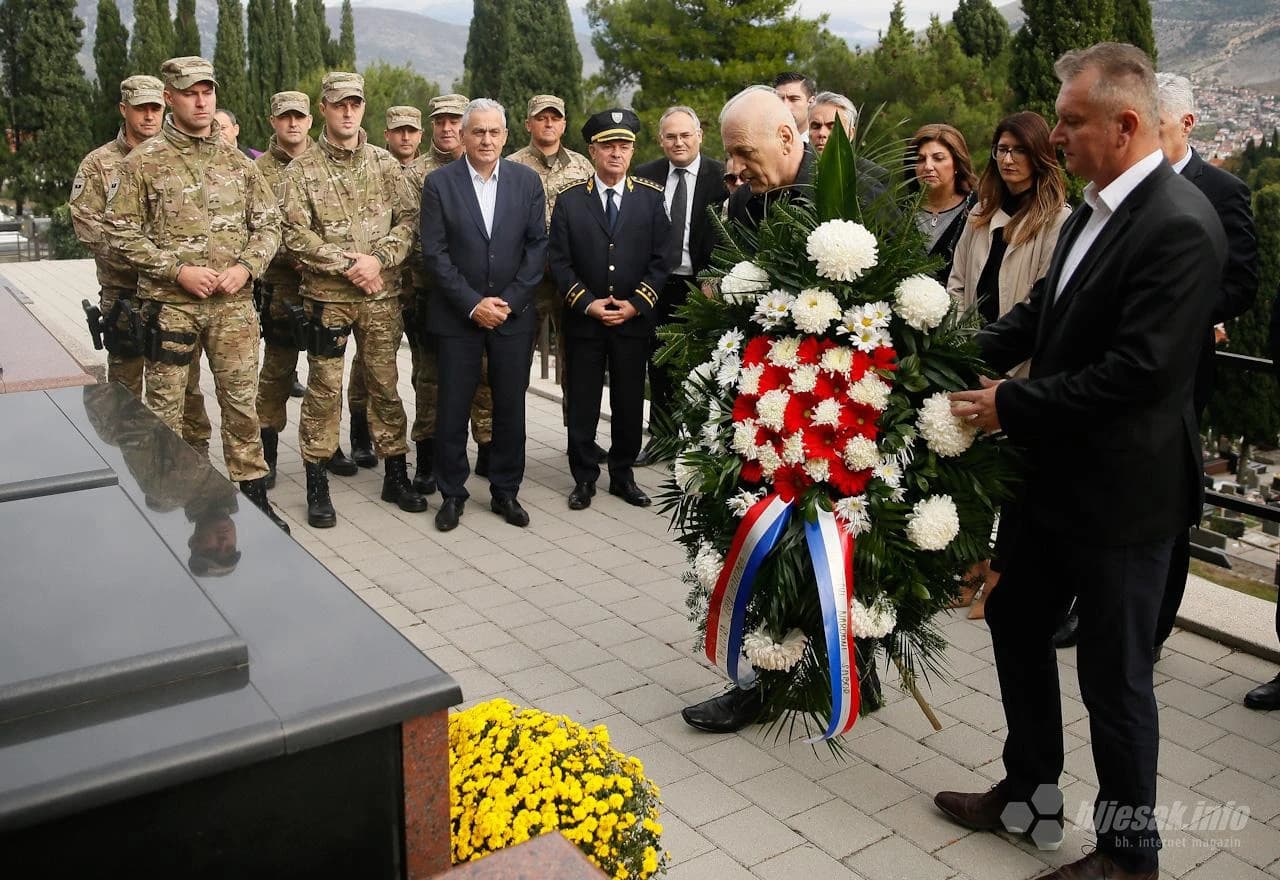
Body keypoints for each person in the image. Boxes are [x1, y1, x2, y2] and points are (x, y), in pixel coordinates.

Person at [939, 43, 1227, 880]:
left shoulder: (1180, 225)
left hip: (1124, 500)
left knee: (1115, 680)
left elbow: (1138, 375)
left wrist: (1007, 406)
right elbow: (1036, 321)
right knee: (1016, 623)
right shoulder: (1093, 210)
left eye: (1069, 121)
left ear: (1125, 123)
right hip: (1050, 483)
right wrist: (939, 354)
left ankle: (1131, 855)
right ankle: (1029, 796)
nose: (1054, 136)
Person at [104, 56, 289, 532]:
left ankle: (253, 497)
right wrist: (177, 270)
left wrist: (246, 268)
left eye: (208, 91)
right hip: (171, 308)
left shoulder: (236, 160)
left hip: (233, 310)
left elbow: (269, 224)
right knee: (167, 412)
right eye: (190, 92)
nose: (202, 100)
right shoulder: (142, 162)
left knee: (241, 405)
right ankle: (171, 498)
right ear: (170, 98)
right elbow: (120, 231)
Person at [682, 85, 815, 734]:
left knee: (815, 554)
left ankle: (805, 668)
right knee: (762, 545)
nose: (733, 166)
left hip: (831, 415)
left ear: (788, 140)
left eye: (743, 151)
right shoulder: (749, 202)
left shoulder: (852, 191)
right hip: (762, 409)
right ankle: (761, 679)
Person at [280, 71, 427, 528]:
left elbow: (409, 222)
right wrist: (347, 263)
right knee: (325, 390)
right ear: (323, 108)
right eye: (339, 104)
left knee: (385, 383)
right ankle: (317, 482)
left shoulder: (385, 164)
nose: (348, 112)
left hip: (381, 297)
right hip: (329, 299)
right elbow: (292, 233)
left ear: (363, 108)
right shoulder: (301, 169)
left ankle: (395, 473)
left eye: (355, 104)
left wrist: (378, 261)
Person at [1150, 72, 1260, 664]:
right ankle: (1093, 608)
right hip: (1123, 369)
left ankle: (1154, 629)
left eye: (1155, 127)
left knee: (1167, 504)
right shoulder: (1121, 186)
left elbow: (1241, 282)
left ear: (1187, 124)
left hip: (1185, 371)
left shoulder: (1222, 190)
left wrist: (1183, 315)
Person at [947, 110, 1070, 619]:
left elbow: (1044, 305)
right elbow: (957, 283)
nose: (1008, 159)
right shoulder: (980, 215)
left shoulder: (1059, 222)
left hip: (1021, 368)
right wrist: (960, 344)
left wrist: (999, 359)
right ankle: (970, 564)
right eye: (1001, 149)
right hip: (971, 357)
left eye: (1018, 150)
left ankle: (1000, 575)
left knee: (1015, 482)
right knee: (970, 469)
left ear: (1041, 156)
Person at [419, 98, 548, 532]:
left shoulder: (528, 182)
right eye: (478, 132)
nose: (486, 140)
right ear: (464, 135)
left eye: (494, 132)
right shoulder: (440, 184)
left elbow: (537, 248)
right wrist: (473, 304)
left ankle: (505, 491)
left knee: (511, 406)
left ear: (506, 136)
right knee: (452, 406)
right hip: (458, 316)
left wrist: (507, 301)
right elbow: (434, 253)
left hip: (513, 316)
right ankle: (452, 493)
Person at [70, 74, 212, 453]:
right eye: (141, 109)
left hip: (174, 298)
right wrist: (154, 261)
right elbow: (90, 230)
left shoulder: (182, 159)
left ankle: (191, 464)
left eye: (155, 108)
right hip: (127, 296)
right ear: (124, 109)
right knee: (126, 388)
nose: (149, 116)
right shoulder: (99, 164)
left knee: (185, 386)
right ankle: (129, 466)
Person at [550, 108, 671, 510]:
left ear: (633, 151)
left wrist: (637, 305)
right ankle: (584, 477)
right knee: (583, 399)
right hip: (586, 320)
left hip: (632, 322)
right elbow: (559, 262)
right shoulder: (570, 201)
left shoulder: (651, 200)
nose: (616, 153)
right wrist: (587, 304)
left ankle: (622, 475)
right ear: (593, 150)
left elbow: (662, 259)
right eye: (608, 146)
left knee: (628, 398)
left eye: (624, 146)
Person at [253, 91, 359, 489]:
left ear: (310, 121)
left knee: (327, 374)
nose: (293, 124)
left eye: (299, 117)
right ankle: (267, 452)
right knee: (278, 369)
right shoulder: (259, 171)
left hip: (329, 286)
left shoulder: (328, 163)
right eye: (285, 118)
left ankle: (327, 447)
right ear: (273, 122)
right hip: (284, 286)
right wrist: (293, 254)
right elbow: (258, 228)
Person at [403, 93, 495, 493]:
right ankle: (428, 455)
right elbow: (419, 239)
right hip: (429, 293)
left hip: (483, 295)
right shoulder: (417, 173)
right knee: (430, 378)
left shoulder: (484, 169)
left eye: (453, 121)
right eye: (438, 121)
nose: (446, 129)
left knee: (484, 377)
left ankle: (487, 450)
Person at [634, 106, 727, 464]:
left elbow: (730, 231)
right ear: (661, 140)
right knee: (658, 365)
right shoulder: (646, 175)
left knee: (706, 364)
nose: (678, 142)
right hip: (657, 284)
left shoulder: (720, 177)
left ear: (699, 137)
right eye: (671, 136)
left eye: (685, 135)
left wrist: (714, 278)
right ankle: (661, 439)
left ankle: (705, 444)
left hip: (703, 286)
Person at [507, 94, 596, 454]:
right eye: (540, 118)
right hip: (527, 282)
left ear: (563, 123)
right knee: (515, 361)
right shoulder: (510, 166)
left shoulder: (582, 167)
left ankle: (579, 439)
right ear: (528, 124)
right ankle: (509, 439)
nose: (548, 124)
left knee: (576, 361)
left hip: (572, 280)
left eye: (554, 118)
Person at [908, 123, 978, 284]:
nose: (928, 166)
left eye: (938, 158)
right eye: (920, 159)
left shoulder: (978, 210)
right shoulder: (901, 211)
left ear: (957, 164)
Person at [807, 91, 856, 156]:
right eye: (816, 126)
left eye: (833, 128)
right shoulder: (794, 165)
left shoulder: (865, 166)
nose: (822, 133)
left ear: (851, 134)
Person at [772, 71, 815, 143]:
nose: (785, 106)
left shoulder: (824, 146)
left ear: (811, 103)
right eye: (780, 99)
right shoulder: (765, 144)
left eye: (793, 99)